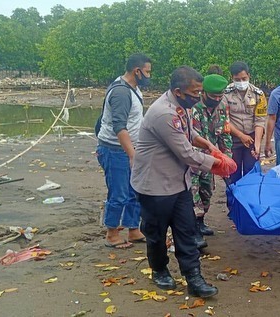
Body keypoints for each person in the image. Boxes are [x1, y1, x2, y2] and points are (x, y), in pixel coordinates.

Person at [130, 66, 236, 297]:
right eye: (194, 93)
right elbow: (186, 153)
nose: (198, 97)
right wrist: (219, 164)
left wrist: (207, 145)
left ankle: (194, 277)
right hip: (155, 185)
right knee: (156, 233)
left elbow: (189, 135)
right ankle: (159, 270)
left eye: (199, 92)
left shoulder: (182, 106)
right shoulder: (164, 113)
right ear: (178, 91)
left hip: (179, 183)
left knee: (186, 231)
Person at [96, 53, 151, 249]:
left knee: (134, 191)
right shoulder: (121, 92)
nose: (148, 76)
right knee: (118, 193)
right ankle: (111, 233)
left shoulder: (133, 88)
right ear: (137, 71)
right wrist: (132, 155)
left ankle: (133, 229)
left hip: (130, 148)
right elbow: (119, 126)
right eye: (147, 72)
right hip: (115, 150)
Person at [191, 74, 233, 239]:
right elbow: (194, 139)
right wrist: (216, 158)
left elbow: (225, 132)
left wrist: (227, 158)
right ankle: (193, 230)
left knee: (206, 192)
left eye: (219, 95)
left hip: (212, 159)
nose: (216, 99)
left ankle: (201, 223)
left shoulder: (223, 105)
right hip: (193, 159)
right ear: (204, 93)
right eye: (213, 96)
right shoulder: (193, 107)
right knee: (192, 194)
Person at [223, 61, 268, 184]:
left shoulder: (258, 94)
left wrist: (257, 145)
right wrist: (241, 136)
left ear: (249, 75)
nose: (241, 82)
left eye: (244, 78)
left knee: (251, 174)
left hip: (252, 139)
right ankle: (233, 202)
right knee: (233, 174)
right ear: (232, 77)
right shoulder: (225, 94)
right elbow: (224, 119)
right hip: (232, 139)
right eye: (237, 79)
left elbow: (260, 120)